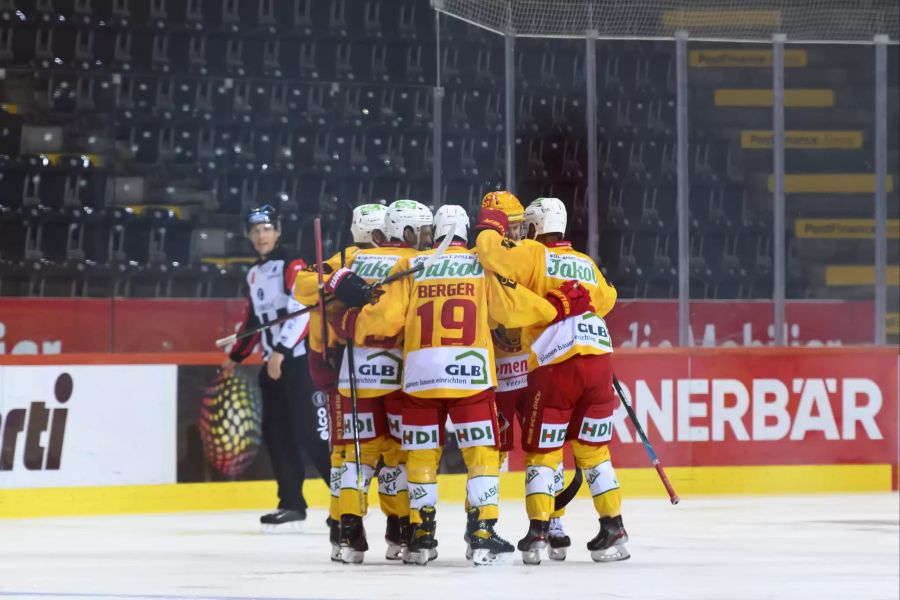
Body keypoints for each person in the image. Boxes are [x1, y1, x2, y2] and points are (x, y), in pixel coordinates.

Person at [327, 205, 589, 566]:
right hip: (471, 377)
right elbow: (510, 310)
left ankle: (421, 537)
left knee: (421, 456)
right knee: (482, 454)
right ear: (466, 231)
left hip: (419, 376)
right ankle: (482, 534)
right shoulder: (478, 265)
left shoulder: (413, 266)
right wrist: (556, 307)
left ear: (433, 232)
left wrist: (347, 320)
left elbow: (385, 320)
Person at [475, 196, 628, 563]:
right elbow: (607, 300)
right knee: (594, 453)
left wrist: (490, 226)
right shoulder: (586, 263)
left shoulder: (532, 253)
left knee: (543, 451)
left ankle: (538, 533)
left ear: (532, 228)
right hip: (599, 362)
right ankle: (614, 529)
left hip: (557, 366)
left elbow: (490, 253)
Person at [323, 199, 432, 564]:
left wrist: (340, 293)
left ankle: (348, 535)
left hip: (356, 373)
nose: (428, 237)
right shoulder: (409, 263)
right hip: (398, 373)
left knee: (359, 456)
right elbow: (394, 321)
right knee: (398, 458)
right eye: (424, 230)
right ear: (406, 230)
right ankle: (400, 530)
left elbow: (324, 301)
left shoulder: (356, 259)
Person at [221, 204, 331, 532]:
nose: (260, 236)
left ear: (278, 231)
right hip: (273, 366)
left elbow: (303, 310)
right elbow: (252, 320)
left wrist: (282, 352)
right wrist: (235, 357)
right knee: (277, 435)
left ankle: (346, 501)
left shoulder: (293, 263)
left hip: (297, 363)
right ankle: (292, 504)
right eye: (254, 231)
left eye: (266, 229)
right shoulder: (253, 274)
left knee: (313, 435)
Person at [477, 191, 572, 561]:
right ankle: (487, 525)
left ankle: (555, 520)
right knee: (495, 455)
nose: (517, 233)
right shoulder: (483, 261)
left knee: (546, 450)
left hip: (531, 375)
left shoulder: (529, 258)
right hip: (498, 380)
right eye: (510, 226)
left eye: (521, 225)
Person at [292, 203, 378, 559]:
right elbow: (302, 285)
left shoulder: (396, 258)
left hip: (375, 364)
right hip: (338, 362)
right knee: (350, 450)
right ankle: (344, 524)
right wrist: (336, 281)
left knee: (365, 451)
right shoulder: (343, 258)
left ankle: (360, 525)